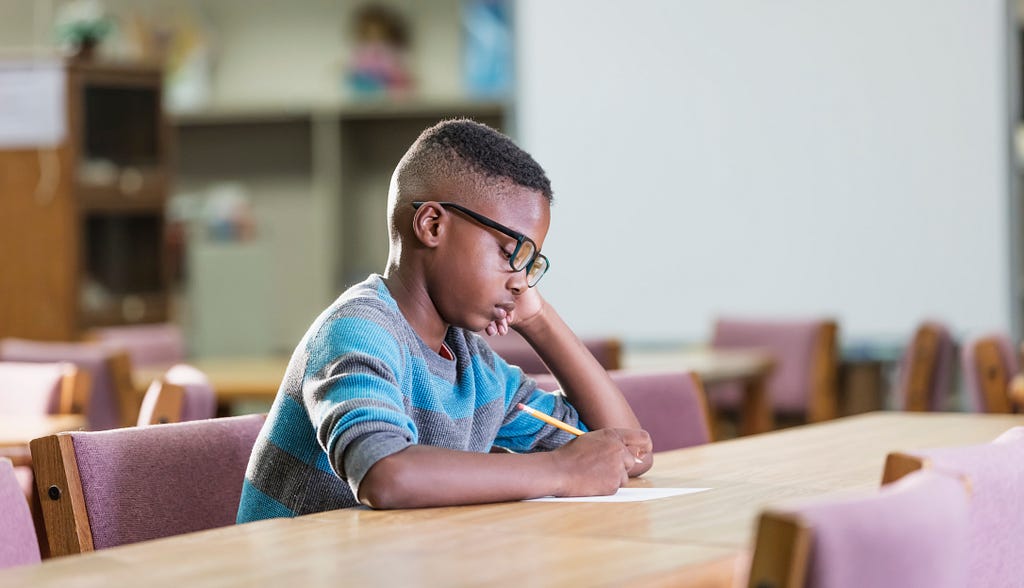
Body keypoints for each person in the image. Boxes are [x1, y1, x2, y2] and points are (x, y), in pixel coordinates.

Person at [237, 119, 651, 521]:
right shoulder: (358, 329)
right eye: (512, 254)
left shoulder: (476, 368)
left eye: (531, 264)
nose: (521, 283)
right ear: (432, 225)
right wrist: (562, 471)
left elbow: (625, 452)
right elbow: (385, 474)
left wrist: (539, 319)